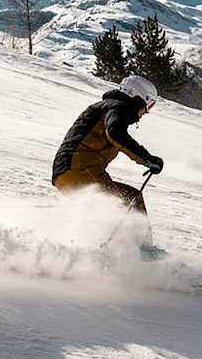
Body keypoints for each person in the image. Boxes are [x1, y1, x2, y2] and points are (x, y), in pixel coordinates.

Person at [52, 75, 165, 242]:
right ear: (138, 98)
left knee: (122, 201)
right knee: (128, 200)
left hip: (71, 171)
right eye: (149, 105)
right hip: (78, 169)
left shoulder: (108, 107)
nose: (146, 112)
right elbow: (116, 134)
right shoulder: (117, 107)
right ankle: (142, 250)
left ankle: (94, 251)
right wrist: (147, 159)